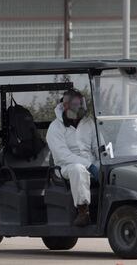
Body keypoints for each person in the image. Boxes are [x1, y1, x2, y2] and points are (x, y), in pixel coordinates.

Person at [46, 89, 99, 227]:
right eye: (76, 104)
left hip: (91, 163)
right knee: (78, 169)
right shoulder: (55, 127)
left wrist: (104, 160)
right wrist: (89, 165)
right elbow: (63, 155)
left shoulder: (89, 123)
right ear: (66, 106)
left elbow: (99, 145)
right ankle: (83, 212)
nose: (80, 108)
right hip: (65, 167)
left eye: (81, 104)